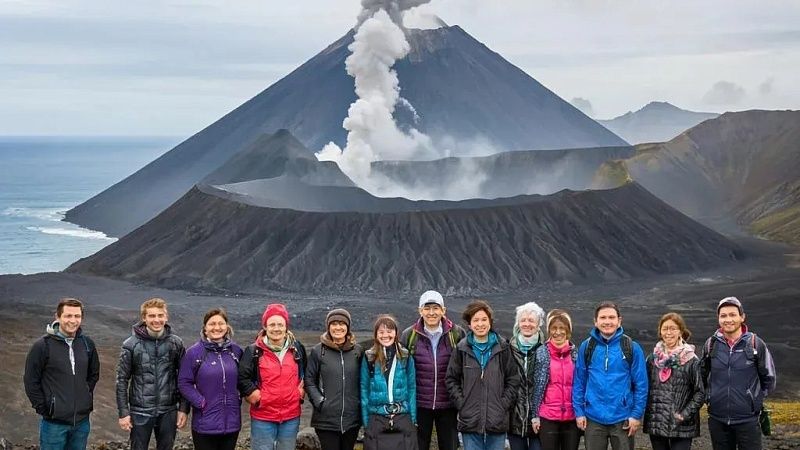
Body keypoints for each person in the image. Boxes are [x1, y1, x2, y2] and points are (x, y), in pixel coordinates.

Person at [24, 297, 100, 450]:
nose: (73, 320)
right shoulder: (42, 346)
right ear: (58, 317)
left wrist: (84, 395)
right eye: (68, 316)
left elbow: (93, 374)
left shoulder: (87, 344)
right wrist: (45, 408)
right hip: (54, 424)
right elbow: (31, 381)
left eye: (77, 316)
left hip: (81, 423)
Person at [702, 297, 776, 450]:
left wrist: (753, 401)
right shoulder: (711, 344)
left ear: (742, 317)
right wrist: (709, 397)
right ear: (718, 319)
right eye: (723, 315)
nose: (728, 319)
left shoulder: (755, 343)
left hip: (747, 420)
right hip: (717, 419)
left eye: (732, 314)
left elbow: (769, 378)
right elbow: (701, 375)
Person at [446, 300, 520, 450]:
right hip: (470, 420)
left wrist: (503, 404)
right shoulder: (461, 349)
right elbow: (451, 379)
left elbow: (513, 379)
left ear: (490, 322)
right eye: (476, 320)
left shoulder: (503, 347)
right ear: (469, 324)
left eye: (484, 319)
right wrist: (462, 404)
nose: (480, 324)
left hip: (496, 419)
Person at [572, 302, 647, 450]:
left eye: (611, 317)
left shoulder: (631, 348)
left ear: (619, 320)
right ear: (596, 321)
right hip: (593, 417)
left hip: (623, 417)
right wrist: (579, 412)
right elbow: (579, 382)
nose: (607, 321)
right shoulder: (587, 347)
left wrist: (636, 414)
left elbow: (641, 384)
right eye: (603, 317)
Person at [116, 297, 189, 450]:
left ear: (166, 317)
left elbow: (184, 378)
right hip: (140, 411)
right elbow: (122, 379)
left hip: (168, 410)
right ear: (144, 318)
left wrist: (183, 408)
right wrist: (123, 412)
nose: (157, 320)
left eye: (160, 315)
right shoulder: (130, 345)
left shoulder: (176, 343)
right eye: (152, 316)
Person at [400, 290, 465, 450]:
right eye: (427, 308)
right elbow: (401, 371)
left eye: (435, 308)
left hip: (449, 404)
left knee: (449, 446)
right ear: (420, 310)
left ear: (443, 310)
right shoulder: (409, 335)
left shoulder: (456, 334)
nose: (431, 313)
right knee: (418, 446)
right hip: (420, 404)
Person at [238, 303, 306, 450]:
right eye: (272, 324)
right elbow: (242, 377)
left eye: (280, 324)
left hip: (291, 416)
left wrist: (299, 393)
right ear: (265, 327)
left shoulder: (297, 349)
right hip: (263, 416)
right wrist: (253, 395)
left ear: (286, 326)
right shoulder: (254, 351)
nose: (276, 328)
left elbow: (304, 372)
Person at [178, 308, 244, 450]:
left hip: (232, 422)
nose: (217, 327)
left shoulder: (236, 351)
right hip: (204, 423)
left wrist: (239, 397)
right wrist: (200, 402)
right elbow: (184, 382)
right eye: (212, 324)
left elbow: (245, 378)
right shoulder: (194, 353)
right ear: (205, 328)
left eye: (221, 323)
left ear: (227, 327)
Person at [643, 313, 704, 450]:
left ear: (680, 331)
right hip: (657, 423)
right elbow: (644, 388)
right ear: (660, 331)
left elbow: (700, 392)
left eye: (673, 328)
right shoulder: (652, 360)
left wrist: (684, 415)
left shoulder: (691, 360)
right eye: (665, 329)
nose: (668, 332)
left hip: (681, 425)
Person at [305, 308, 363, 450]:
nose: (338, 327)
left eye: (342, 323)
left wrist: (359, 403)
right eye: (334, 324)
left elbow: (364, 380)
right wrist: (319, 402)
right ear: (328, 327)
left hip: (352, 419)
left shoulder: (357, 351)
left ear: (348, 327)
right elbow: (309, 380)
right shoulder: (318, 351)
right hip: (326, 420)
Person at [360, 314, 418, 450]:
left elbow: (412, 388)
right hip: (377, 417)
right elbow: (364, 390)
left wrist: (413, 419)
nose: (385, 335)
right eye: (381, 332)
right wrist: (366, 422)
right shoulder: (369, 357)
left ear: (396, 333)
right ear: (376, 334)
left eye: (389, 331)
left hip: (402, 416)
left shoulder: (405, 356)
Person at [535, 309, 579, 450]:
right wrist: (535, 415)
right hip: (548, 417)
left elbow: (581, 385)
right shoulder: (541, 353)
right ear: (549, 330)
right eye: (554, 328)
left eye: (562, 328)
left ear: (568, 330)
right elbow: (536, 386)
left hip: (572, 417)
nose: (558, 332)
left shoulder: (576, 354)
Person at [508, 302, 548, 450]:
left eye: (531, 320)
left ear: (538, 324)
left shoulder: (546, 350)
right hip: (514, 420)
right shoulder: (508, 349)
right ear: (518, 323)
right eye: (523, 320)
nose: (527, 324)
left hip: (540, 420)